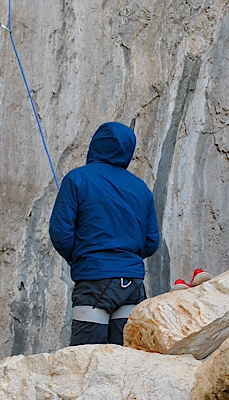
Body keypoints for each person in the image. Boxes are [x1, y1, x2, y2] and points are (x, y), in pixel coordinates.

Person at [49, 122, 159, 346]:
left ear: (96, 145)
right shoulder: (141, 189)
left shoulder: (77, 179)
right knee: (124, 359)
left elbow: (60, 232)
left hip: (94, 282)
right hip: (132, 285)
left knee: (86, 359)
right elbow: (151, 242)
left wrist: (82, 256)